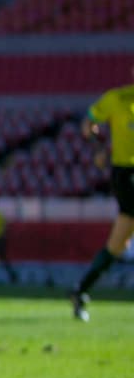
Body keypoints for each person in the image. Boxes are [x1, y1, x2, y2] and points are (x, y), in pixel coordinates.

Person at [70, 74, 134, 322]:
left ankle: (80, 290)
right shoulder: (117, 99)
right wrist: (99, 149)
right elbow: (88, 124)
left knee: (118, 245)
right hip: (127, 174)